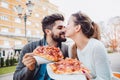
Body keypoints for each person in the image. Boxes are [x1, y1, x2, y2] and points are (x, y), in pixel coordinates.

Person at [13, 13, 68, 80]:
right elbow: (16, 78)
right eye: (60, 28)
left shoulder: (66, 49)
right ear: (48, 31)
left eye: (64, 27)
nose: (64, 30)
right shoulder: (30, 48)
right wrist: (29, 69)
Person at [65, 11, 113, 80]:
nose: (65, 26)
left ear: (77, 28)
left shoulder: (96, 47)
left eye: (68, 23)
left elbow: (105, 78)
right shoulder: (72, 49)